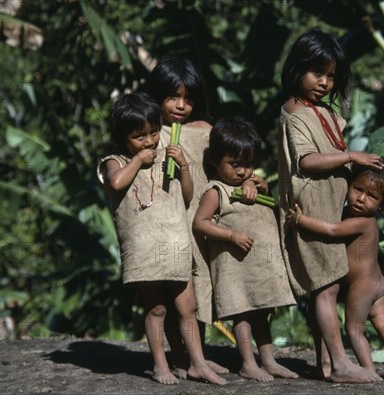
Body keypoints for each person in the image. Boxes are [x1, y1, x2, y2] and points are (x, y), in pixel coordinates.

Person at [277, 28, 384, 383]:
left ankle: (327, 365)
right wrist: (351, 154)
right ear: (297, 70)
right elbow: (307, 161)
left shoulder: (318, 110)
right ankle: (339, 363)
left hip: (326, 207)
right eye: (316, 73)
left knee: (327, 285)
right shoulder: (296, 113)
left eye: (331, 76)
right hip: (311, 210)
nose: (324, 82)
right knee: (326, 288)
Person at [97, 92, 225, 386]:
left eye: (154, 133)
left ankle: (196, 362)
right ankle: (160, 365)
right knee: (156, 308)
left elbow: (187, 195)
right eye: (138, 136)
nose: (149, 141)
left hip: (176, 242)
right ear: (121, 138)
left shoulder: (163, 160)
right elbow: (116, 183)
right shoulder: (114, 162)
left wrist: (182, 166)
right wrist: (139, 159)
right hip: (144, 248)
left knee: (187, 306)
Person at [193, 117, 298, 382]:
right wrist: (230, 235)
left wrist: (261, 185)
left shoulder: (253, 183)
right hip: (234, 269)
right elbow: (200, 222)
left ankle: (269, 360)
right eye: (235, 164)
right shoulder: (216, 191)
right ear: (216, 162)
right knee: (242, 314)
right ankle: (248, 362)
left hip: (258, 268)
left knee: (262, 311)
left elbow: (269, 205)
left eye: (248, 165)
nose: (242, 172)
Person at [145, 56, 229, 377]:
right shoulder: (152, 134)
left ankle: (199, 355)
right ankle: (181, 357)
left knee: (201, 290)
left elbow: (223, 167)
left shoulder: (206, 131)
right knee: (172, 294)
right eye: (173, 97)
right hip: (167, 222)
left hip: (200, 221)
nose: (181, 106)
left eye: (188, 98)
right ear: (157, 97)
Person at [287, 165, 384, 381]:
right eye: (358, 189)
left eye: (371, 196)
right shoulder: (358, 218)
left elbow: (331, 230)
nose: (361, 199)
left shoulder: (362, 222)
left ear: (383, 204)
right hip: (379, 283)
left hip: (363, 285)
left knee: (354, 328)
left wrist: (301, 220)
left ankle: (367, 371)